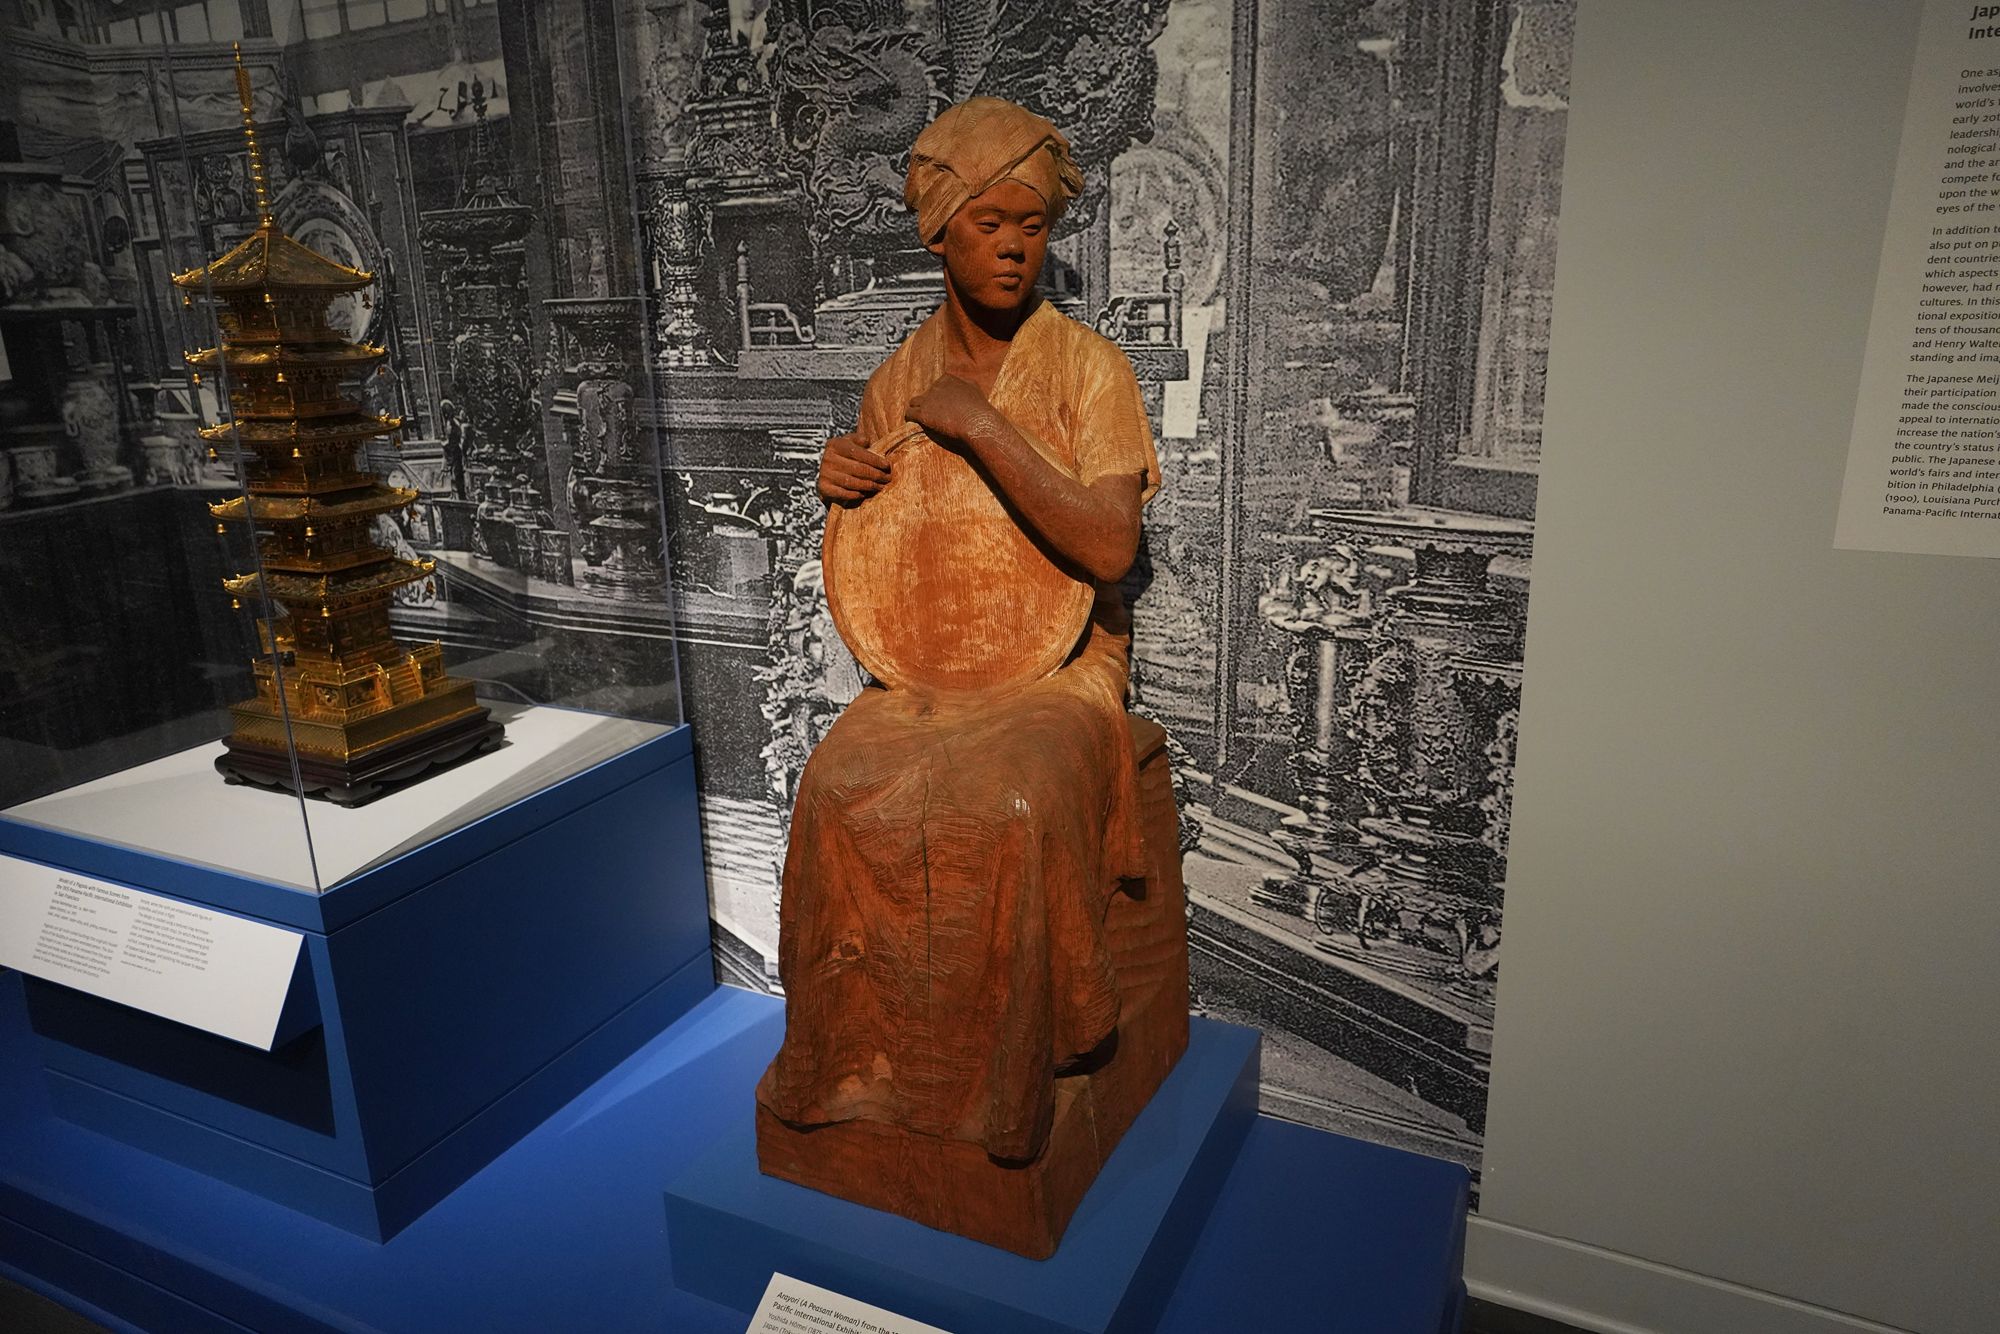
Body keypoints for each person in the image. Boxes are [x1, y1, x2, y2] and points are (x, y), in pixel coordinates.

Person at [756, 97, 1162, 1164]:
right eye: (991, 224)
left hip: (1063, 661)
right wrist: (841, 479)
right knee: (833, 785)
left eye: (1033, 224)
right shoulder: (898, 375)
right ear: (941, 233)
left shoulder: (1089, 367)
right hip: (931, 655)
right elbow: (887, 539)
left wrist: (983, 425)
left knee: (1015, 800)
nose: (1016, 246)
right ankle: (847, 1062)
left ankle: (1003, 1084)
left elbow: (1109, 546)